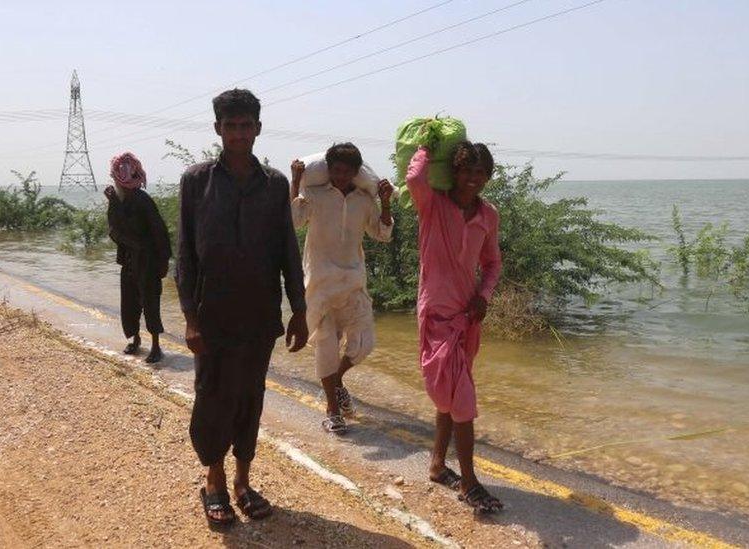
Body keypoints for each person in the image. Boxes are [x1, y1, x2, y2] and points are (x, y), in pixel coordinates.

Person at [176, 88, 308, 528]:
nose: (238, 133)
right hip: (211, 315)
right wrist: (190, 320)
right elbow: (186, 257)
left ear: (257, 128)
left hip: (259, 315)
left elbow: (288, 252)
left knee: (250, 398)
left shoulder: (273, 185)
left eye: (245, 125)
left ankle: (242, 482)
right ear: (218, 129)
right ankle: (213, 482)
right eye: (230, 126)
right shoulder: (196, 182)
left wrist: (300, 311)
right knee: (212, 398)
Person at [405, 141, 504, 514]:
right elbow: (414, 177)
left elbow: (493, 263)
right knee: (461, 399)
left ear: (487, 177)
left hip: (467, 317)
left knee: (450, 396)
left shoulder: (488, 215)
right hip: (435, 316)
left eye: (480, 173)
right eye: (466, 171)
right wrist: (426, 148)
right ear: (454, 172)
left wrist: (485, 295)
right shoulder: (433, 206)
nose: (473, 179)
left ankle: (436, 465)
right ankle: (470, 483)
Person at [290, 143, 394, 434]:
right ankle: (332, 410)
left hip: (352, 284)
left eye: (347, 171)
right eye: (335, 169)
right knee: (326, 347)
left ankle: (336, 383)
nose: (341, 175)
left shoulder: (363, 200)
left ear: (356, 172)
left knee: (363, 345)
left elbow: (382, 233)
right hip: (320, 285)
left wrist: (385, 202)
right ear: (329, 169)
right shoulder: (314, 194)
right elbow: (295, 221)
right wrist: (295, 181)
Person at [104, 152, 170, 364]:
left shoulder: (143, 201)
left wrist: (163, 262)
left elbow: (160, 233)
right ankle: (135, 340)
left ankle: (156, 347)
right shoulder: (118, 200)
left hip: (148, 261)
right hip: (130, 261)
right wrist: (113, 202)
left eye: (117, 180)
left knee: (150, 302)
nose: (116, 183)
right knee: (130, 302)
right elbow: (114, 229)